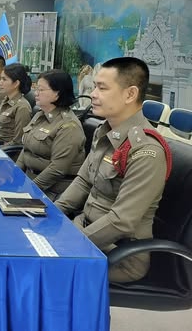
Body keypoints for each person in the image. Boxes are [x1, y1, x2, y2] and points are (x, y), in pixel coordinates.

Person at [55, 57, 169, 283]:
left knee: (39, 272)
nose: (93, 94)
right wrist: (51, 214)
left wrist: (69, 245)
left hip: (118, 254)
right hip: (84, 230)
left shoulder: (146, 150)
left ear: (130, 94)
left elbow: (121, 221)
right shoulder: (105, 132)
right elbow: (83, 181)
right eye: (94, 87)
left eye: (102, 88)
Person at [16, 69, 86, 200]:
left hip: (51, 191)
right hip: (29, 180)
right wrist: (15, 175)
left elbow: (57, 169)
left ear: (57, 94)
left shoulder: (69, 126)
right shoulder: (39, 115)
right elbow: (26, 149)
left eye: (41, 90)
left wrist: (29, 189)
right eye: (36, 88)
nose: (36, 93)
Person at [0, 63, 32, 146]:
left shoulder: (22, 107)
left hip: (7, 149)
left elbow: (18, 141)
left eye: (4, 79)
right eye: (1, 79)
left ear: (16, 83)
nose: (0, 83)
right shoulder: (5, 100)